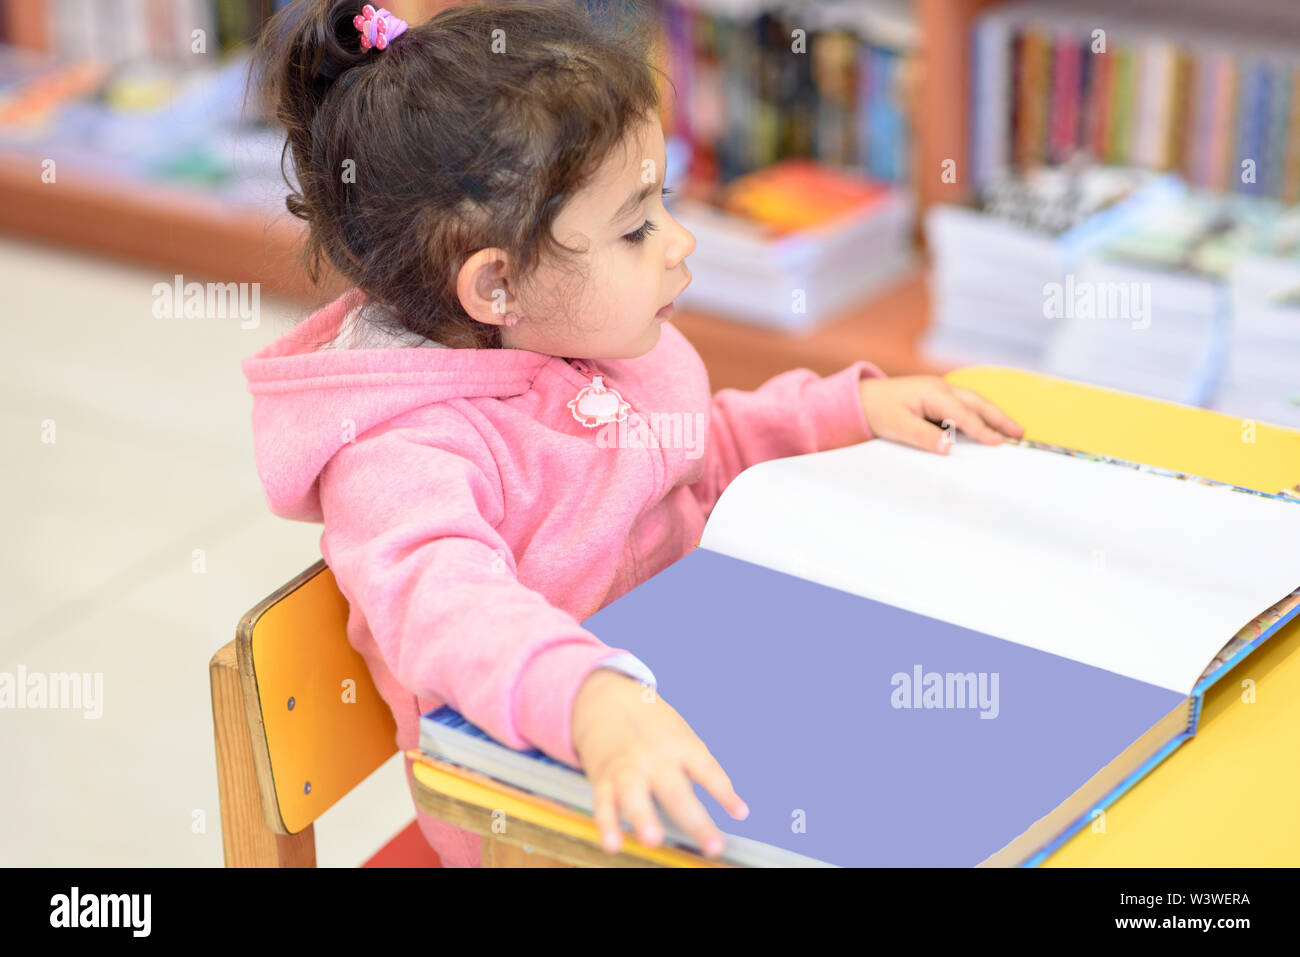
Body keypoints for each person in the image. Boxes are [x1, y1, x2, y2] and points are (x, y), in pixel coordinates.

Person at [243, 0, 1024, 866]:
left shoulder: (583, 337)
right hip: (552, 811)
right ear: (496, 285)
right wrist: (592, 699)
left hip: (698, 705)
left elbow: (699, 453)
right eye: (636, 225)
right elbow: (451, 610)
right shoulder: (400, 455)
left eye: (666, 201)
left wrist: (840, 412)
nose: (681, 242)